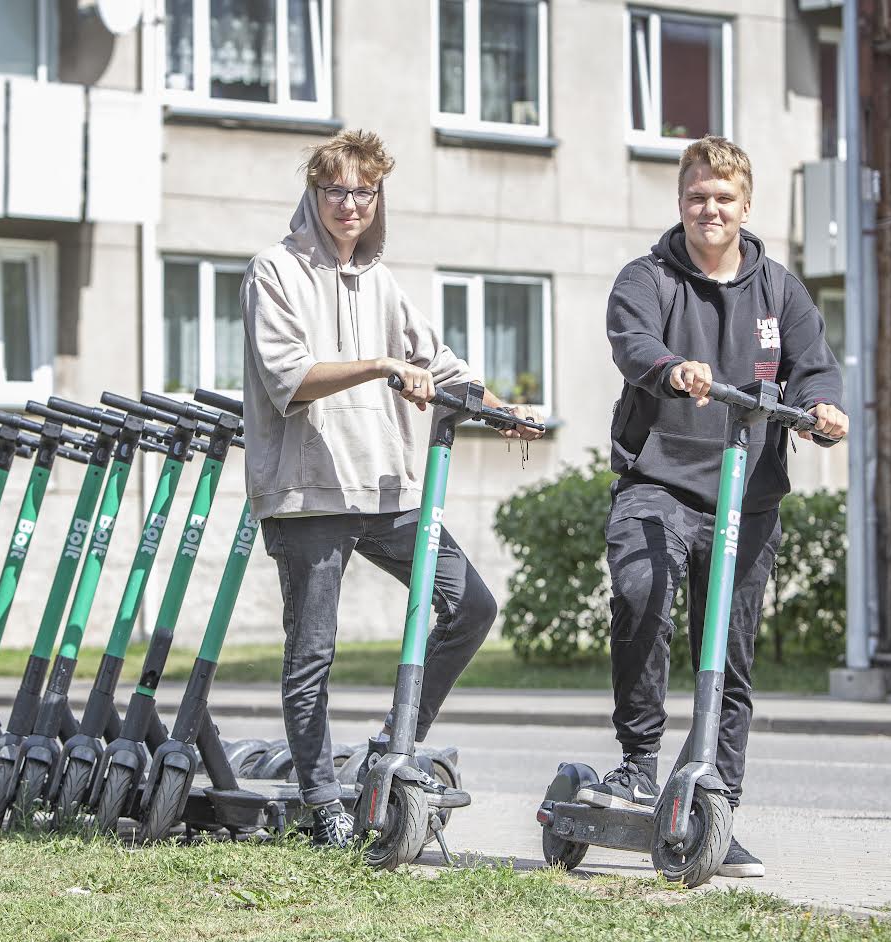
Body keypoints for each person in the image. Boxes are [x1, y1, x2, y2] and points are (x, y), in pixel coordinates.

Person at [240, 129, 545, 847]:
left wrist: (501, 412)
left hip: (387, 490)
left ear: (380, 199)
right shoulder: (274, 272)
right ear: (313, 195)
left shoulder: (383, 283)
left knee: (469, 605)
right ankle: (322, 803)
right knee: (311, 654)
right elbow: (290, 378)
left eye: (365, 191)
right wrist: (379, 365)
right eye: (336, 190)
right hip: (310, 491)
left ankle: (391, 744)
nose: (351, 204)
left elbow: (439, 367)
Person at [581, 136, 847, 878]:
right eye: (698, 196)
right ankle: (637, 765)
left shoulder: (779, 290)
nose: (710, 209)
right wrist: (672, 370)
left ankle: (714, 801)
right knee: (642, 593)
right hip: (658, 482)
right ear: (681, 201)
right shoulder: (648, 278)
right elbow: (632, 343)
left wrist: (822, 409)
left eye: (723, 197)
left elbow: (813, 368)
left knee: (726, 653)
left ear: (744, 205)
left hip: (747, 493)